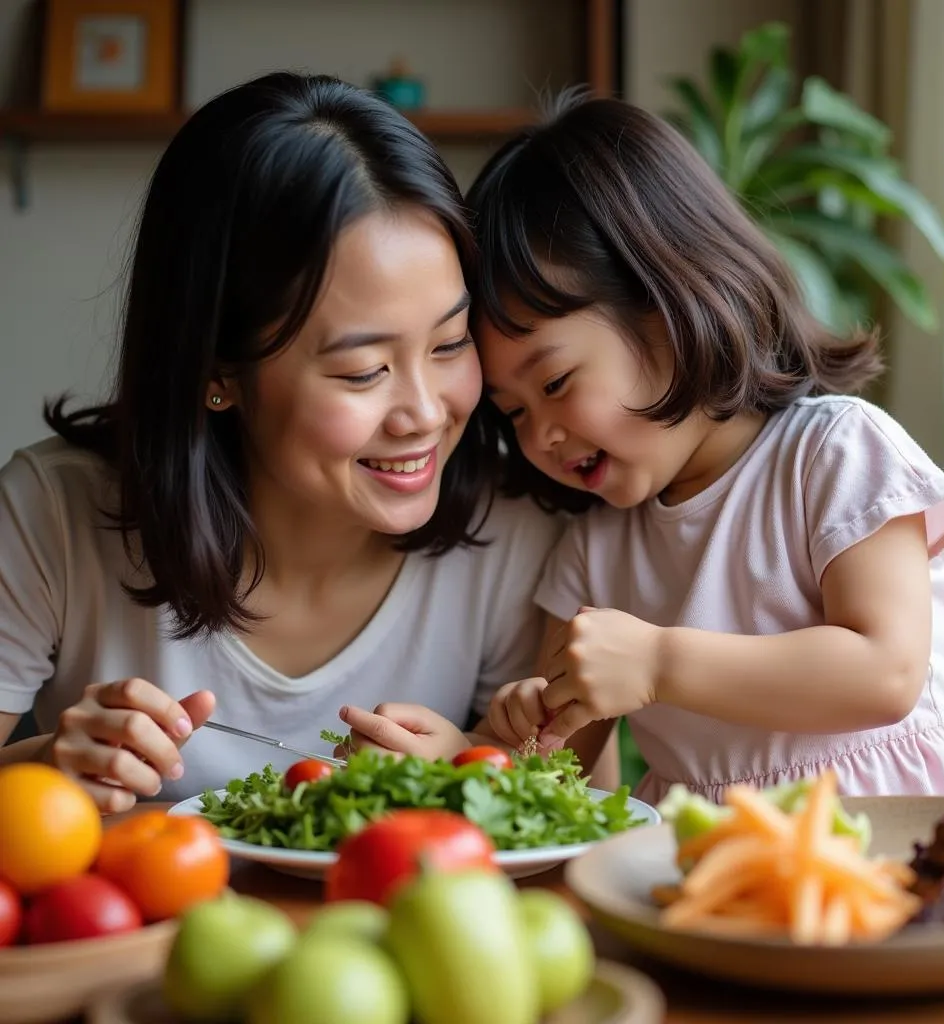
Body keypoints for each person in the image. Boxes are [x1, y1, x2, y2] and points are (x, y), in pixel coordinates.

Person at [0, 72, 569, 813]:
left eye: (450, 344)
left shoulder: (515, 528)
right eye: (364, 371)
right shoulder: (51, 516)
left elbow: (570, 827)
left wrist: (473, 772)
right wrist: (45, 769)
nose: (426, 413)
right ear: (218, 371)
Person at [462, 91, 944, 805]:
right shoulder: (595, 551)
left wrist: (660, 659)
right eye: (512, 414)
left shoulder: (836, 453)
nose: (539, 435)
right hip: (705, 883)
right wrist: (505, 738)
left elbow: (886, 674)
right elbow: (560, 780)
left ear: (666, 305)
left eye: (557, 383)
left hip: (894, 855)